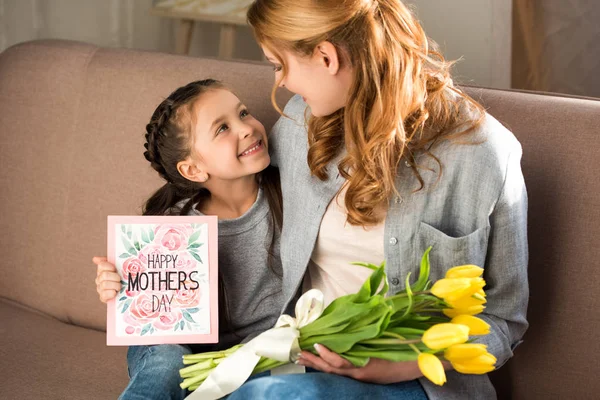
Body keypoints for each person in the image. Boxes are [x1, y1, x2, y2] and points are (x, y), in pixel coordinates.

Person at [227, 0, 529, 399]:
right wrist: (140, 268)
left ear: (326, 57)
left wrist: (406, 361)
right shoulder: (298, 126)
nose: (281, 83)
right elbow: (233, 201)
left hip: (416, 385)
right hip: (298, 365)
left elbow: (505, 319)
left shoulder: (482, 152)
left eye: (278, 65)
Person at [93, 79, 285, 400]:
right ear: (193, 170)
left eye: (244, 113)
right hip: (181, 347)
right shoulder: (172, 226)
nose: (247, 128)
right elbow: (146, 307)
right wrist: (117, 284)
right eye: (222, 128)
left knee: (276, 379)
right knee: (169, 359)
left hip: (263, 350)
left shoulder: (287, 198)